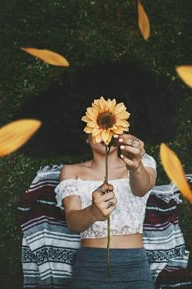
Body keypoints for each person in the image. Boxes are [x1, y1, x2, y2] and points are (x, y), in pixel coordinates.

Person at [55, 103, 157, 289]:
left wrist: (135, 167)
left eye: (112, 128)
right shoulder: (71, 171)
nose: (107, 133)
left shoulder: (142, 161)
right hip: (90, 264)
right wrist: (93, 212)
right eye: (99, 127)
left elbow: (141, 189)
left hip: (134, 264)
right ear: (86, 136)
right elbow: (73, 222)